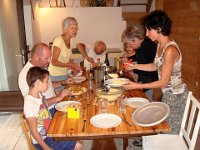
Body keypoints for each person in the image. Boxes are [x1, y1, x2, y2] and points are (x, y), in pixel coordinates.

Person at [123, 10, 188, 134]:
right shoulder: (160, 45)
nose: (146, 34)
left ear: (158, 28)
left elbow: (163, 82)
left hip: (176, 96)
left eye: (149, 30)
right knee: (163, 128)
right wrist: (133, 66)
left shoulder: (169, 50)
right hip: (168, 94)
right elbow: (155, 66)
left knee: (170, 132)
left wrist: (138, 85)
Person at [24, 66, 82, 150]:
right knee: (78, 145)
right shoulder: (30, 104)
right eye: (47, 81)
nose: (48, 84)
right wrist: (46, 148)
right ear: (37, 83)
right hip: (44, 140)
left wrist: (58, 98)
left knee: (75, 133)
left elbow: (43, 104)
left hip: (49, 131)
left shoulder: (38, 95)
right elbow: (34, 131)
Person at [18, 43, 73, 115]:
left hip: (55, 104)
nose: (50, 61)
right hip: (47, 111)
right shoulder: (25, 75)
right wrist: (58, 98)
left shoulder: (40, 68)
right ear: (37, 57)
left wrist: (63, 82)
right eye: (46, 58)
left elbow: (48, 84)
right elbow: (35, 105)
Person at [122, 26, 158, 101]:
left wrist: (139, 84)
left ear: (135, 39)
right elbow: (142, 64)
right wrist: (133, 66)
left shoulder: (147, 46)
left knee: (146, 101)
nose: (131, 47)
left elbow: (153, 67)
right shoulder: (141, 46)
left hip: (149, 81)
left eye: (130, 44)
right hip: (144, 80)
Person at [48, 17, 82, 93]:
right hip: (55, 76)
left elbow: (67, 59)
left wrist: (75, 66)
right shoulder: (58, 40)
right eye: (72, 28)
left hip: (64, 74)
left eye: (76, 28)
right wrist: (70, 66)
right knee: (61, 99)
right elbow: (54, 61)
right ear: (65, 28)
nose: (75, 30)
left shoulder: (70, 40)